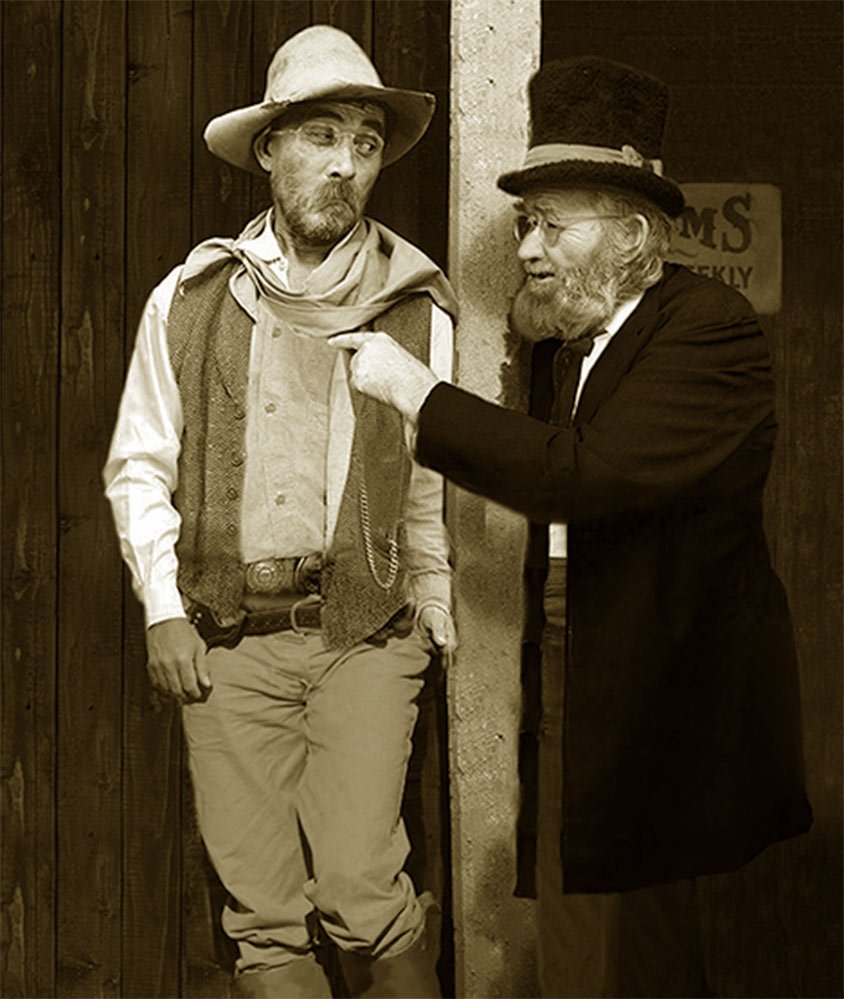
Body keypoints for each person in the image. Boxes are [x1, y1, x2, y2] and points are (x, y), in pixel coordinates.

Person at [334, 56, 813, 997]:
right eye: (526, 223)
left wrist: (419, 394)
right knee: (577, 911)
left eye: (553, 224)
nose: (527, 248)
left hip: (658, 679)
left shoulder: (708, 325)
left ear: (631, 234)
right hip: (578, 653)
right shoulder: (578, 348)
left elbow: (588, 476)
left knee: (634, 938)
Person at [104, 25, 457, 999]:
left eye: (366, 144)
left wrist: (432, 595)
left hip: (362, 634)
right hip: (229, 638)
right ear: (268, 150)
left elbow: (427, 478)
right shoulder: (191, 297)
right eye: (321, 136)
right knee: (260, 914)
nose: (345, 164)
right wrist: (163, 609)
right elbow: (140, 464)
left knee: (359, 884)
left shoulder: (416, 304)